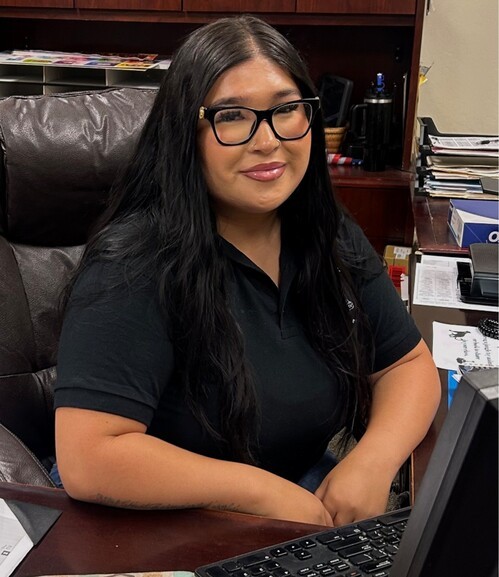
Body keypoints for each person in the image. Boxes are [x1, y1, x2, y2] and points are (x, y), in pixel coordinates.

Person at [54, 15, 441, 528]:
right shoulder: (134, 263)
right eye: (233, 116)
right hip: (162, 525)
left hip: (295, 497)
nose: (267, 141)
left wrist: (372, 459)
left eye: (286, 109)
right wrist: (263, 493)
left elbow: (407, 366)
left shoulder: (323, 231)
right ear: (185, 132)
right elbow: (89, 456)